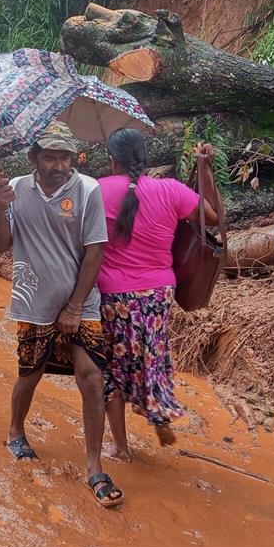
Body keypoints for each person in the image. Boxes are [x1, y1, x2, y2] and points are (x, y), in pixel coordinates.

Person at [0, 121, 123, 508]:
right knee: (29, 373)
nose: (59, 165)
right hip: (33, 301)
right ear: (34, 158)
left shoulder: (88, 189)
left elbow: (95, 249)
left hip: (81, 301)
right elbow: (1, 246)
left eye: (65, 156)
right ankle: (16, 431)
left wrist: (76, 305)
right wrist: (0, 210)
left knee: (92, 378)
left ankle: (95, 467)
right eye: (50, 157)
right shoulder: (15, 190)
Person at [97, 128, 219, 460]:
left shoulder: (96, 190)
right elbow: (213, 218)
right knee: (152, 356)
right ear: (145, 158)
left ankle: (122, 448)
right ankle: (159, 412)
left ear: (112, 161)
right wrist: (205, 169)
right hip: (158, 294)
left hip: (113, 296)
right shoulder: (171, 191)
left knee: (113, 367)